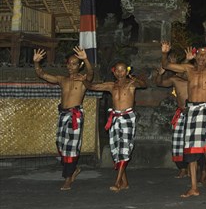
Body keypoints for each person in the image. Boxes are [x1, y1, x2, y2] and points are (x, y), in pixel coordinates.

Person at [161, 42, 206, 197]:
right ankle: (193, 186)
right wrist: (164, 52)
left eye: (205, 54)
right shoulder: (188, 69)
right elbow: (167, 65)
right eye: (199, 54)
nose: (202, 57)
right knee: (190, 150)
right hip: (191, 111)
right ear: (195, 56)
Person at [33, 46, 93, 191]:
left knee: (71, 148)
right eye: (69, 63)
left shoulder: (83, 80)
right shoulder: (62, 79)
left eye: (74, 64)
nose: (70, 66)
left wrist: (85, 58)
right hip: (63, 114)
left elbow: (91, 73)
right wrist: (36, 63)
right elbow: (42, 74)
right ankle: (74, 169)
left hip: (75, 115)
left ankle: (68, 179)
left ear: (80, 66)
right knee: (60, 144)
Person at [83, 62, 147, 192]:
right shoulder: (111, 85)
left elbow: (144, 84)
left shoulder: (131, 83)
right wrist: (84, 80)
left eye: (122, 70)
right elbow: (92, 87)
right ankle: (125, 182)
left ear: (127, 71)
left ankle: (117, 182)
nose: (120, 73)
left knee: (124, 149)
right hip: (115, 118)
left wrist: (136, 79)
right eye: (117, 70)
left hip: (127, 117)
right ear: (114, 72)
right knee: (116, 150)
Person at [154, 48, 205, 179]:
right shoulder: (175, 79)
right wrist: (159, 74)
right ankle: (182, 168)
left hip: (194, 112)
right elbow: (159, 83)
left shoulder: (195, 78)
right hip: (181, 112)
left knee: (194, 142)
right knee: (178, 141)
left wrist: (189, 60)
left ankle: (196, 167)